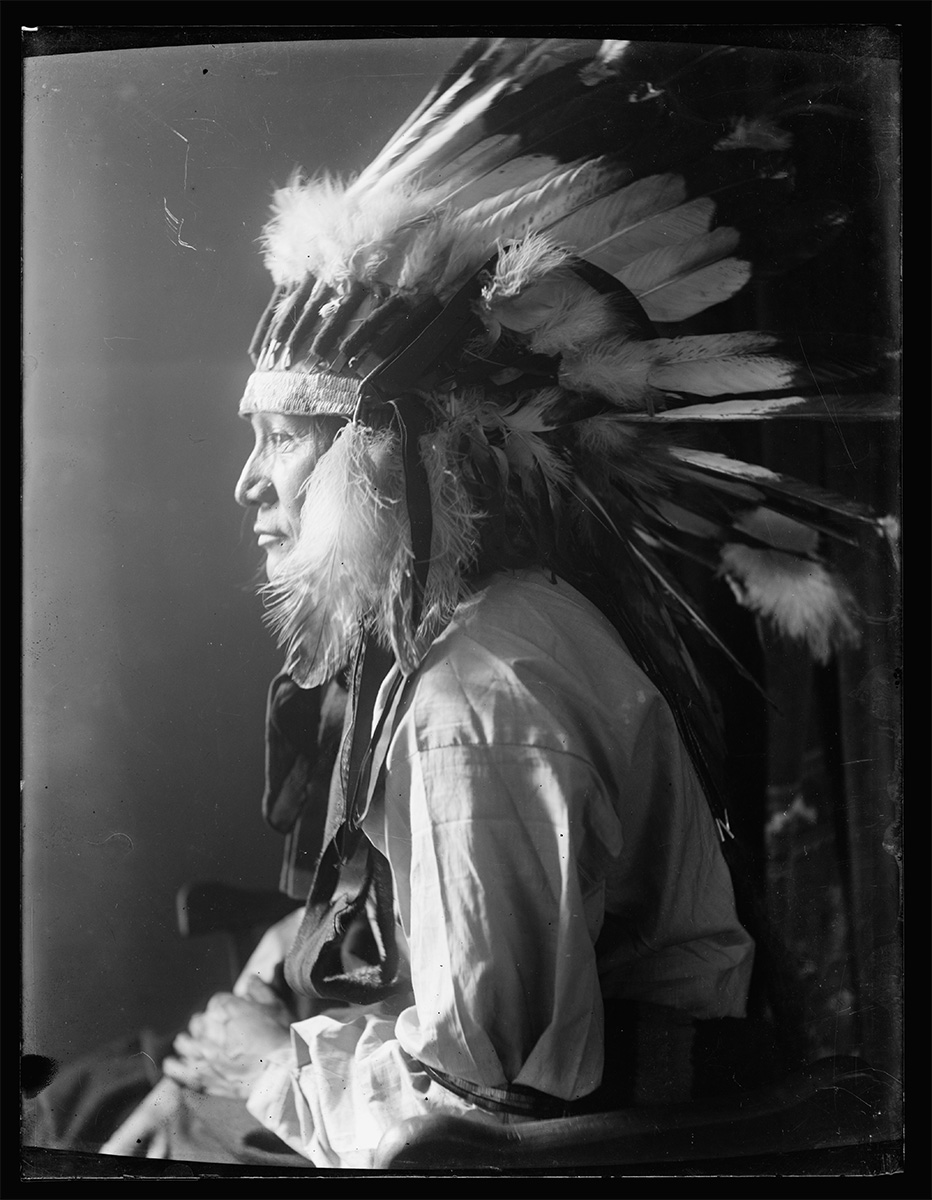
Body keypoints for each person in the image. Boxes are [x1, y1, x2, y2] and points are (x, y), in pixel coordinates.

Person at [31, 36, 895, 1170]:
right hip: (465, 1073)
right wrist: (288, 969)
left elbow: (477, 1121)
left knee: (85, 1113)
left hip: (566, 1140)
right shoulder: (486, 627)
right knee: (106, 1088)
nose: (246, 480)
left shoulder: (475, 704)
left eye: (287, 436)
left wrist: (261, 1063)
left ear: (393, 452)